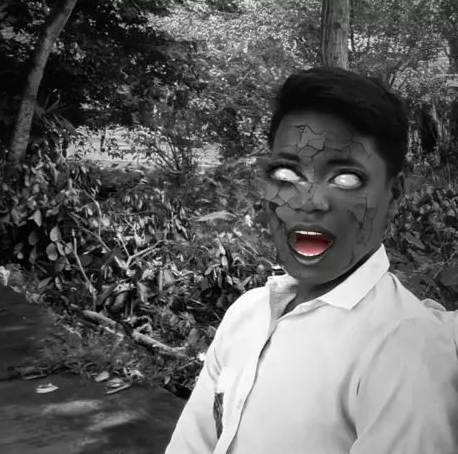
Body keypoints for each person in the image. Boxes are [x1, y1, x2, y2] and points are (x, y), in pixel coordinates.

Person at [164, 67, 458, 453]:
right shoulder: (246, 314)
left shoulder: (404, 349)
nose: (309, 202)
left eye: (346, 178)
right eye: (287, 173)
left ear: (395, 194)